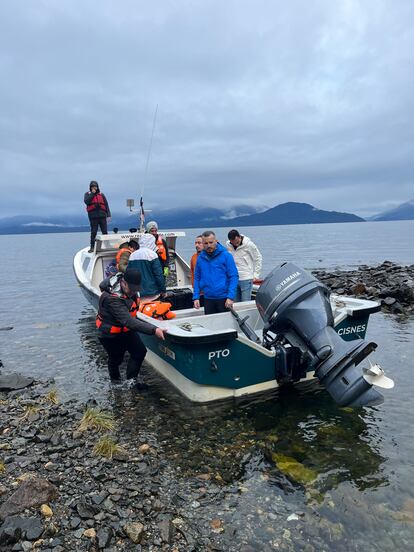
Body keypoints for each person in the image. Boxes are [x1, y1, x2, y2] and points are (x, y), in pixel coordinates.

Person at [97, 268, 166, 386]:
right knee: (116, 359)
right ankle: (115, 384)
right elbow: (128, 321)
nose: (133, 292)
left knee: (139, 352)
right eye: (131, 289)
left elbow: (134, 311)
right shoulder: (112, 298)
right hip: (110, 334)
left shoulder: (132, 290)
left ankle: (131, 382)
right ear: (123, 282)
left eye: (135, 289)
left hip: (127, 330)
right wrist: (154, 329)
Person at [193, 231, 238, 315]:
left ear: (216, 241)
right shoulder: (200, 258)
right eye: (206, 243)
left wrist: (230, 297)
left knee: (225, 326)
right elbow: (197, 278)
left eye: (211, 242)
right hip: (208, 298)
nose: (209, 245)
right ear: (202, 243)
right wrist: (196, 297)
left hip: (224, 299)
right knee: (211, 326)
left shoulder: (226, 256)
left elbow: (233, 276)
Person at [127, 234, 166, 301]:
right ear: (152, 242)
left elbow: (128, 275)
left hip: (137, 294)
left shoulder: (132, 255)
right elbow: (159, 275)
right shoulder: (152, 255)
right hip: (152, 293)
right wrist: (163, 290)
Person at [226, 229, 263, 302]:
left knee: (245, 302)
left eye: (237, 242)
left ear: (239, 237)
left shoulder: (249, 245)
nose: (235, 245)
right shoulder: (228, 245)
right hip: (234, 278)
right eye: (233, 243)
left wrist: (256, 275)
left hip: (246, 277)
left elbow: (258, 258)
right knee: (235, 302)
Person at [84, 181, 111, 252]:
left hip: (102, 215)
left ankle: (107, 245)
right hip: (93, 216)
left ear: (97, 187)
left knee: (105, 231)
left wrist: (108, 215)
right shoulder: (87, 194)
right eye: (92, 186)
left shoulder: (101, 195)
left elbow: (106, 205)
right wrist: (92, 193)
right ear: (90, 187)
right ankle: (92, 247)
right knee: (93, 232)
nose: (94, 188)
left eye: (95, 186)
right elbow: (86, 201)